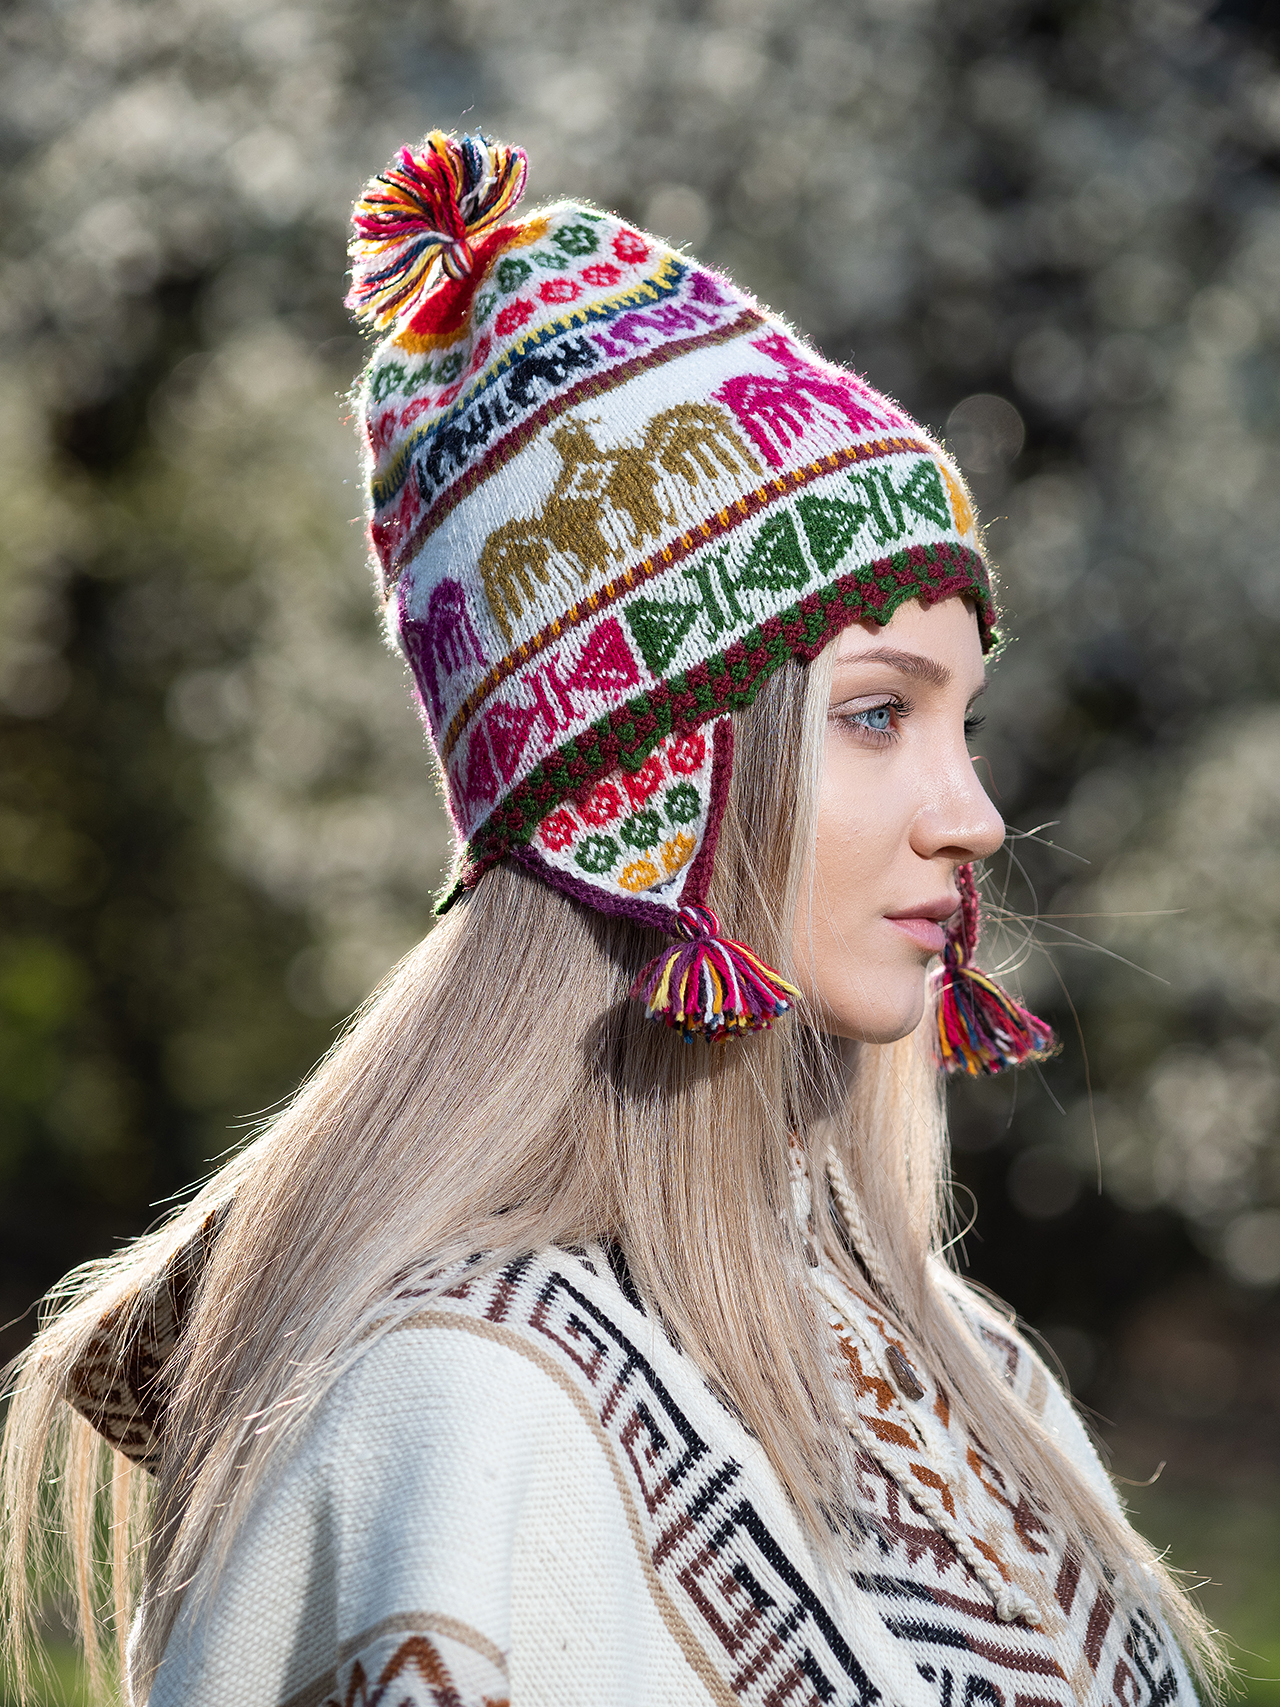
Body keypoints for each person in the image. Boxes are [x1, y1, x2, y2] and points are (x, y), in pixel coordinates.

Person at [2, 131, 1222, 1707]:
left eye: (962, 721)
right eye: (875, 713)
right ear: (640, 797)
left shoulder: (982, 1386)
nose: (975, 814)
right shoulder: (458, 1418)